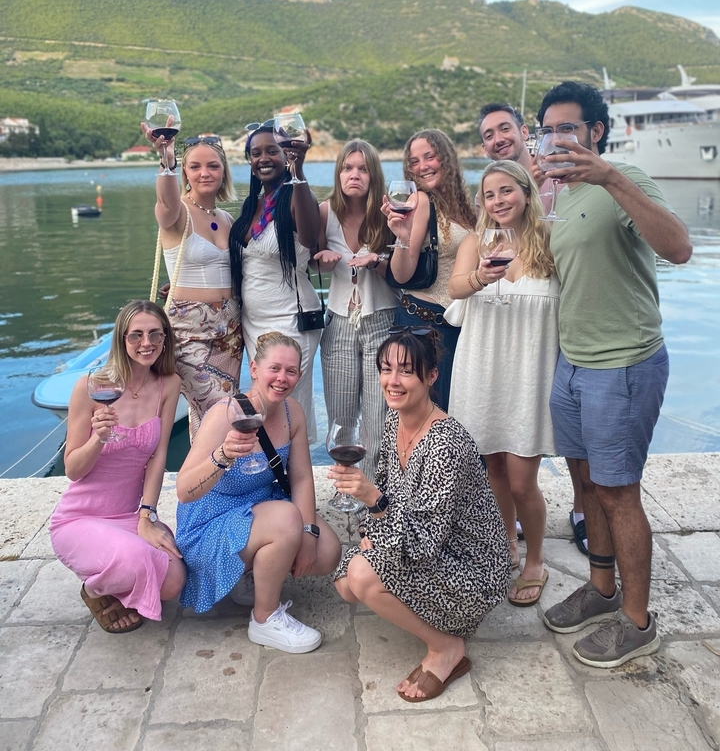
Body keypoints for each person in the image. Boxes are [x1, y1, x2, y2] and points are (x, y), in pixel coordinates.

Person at [537, 81, 692, 668]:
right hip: (573, 364)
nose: (557, 138)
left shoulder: (623, 180)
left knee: (619, 493)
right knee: (586, 489)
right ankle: (603, 591)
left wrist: (613, 179)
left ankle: (637, 619)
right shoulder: (559, 193)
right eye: (549, 128)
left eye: (568, 128)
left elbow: (678, 248)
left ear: (595, 132)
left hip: (624, 364)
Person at [332, 328, 509, 702]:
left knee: (362, 576)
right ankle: (428, 616)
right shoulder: (396, 420)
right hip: (417, 538)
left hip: (469, 567)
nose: (392, 382)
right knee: (345, 585)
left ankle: (446, 648)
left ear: (431, 376)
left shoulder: (445, 443)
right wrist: (371, 523)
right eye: (385, 369)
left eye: (406, 371)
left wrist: (374, 502)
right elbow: (385, 484)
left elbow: (423, 545)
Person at [175, 332, 341, 653]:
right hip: (210, 521)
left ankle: (248, 575)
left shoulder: (293, 412)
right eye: (274, 368)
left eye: (291, 371)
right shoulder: (225, 415)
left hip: (260, 507)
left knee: (327, 551)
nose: (282, 378)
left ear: (300, 376)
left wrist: (308, 534)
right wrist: (222, 456)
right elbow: (184, 490)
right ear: (253, 368)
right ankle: (265, 620)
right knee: (286, 518)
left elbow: (303, 478)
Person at [477, 102, 587, 555]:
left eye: (505, 128)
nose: (498, 137)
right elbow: (466, 275)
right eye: (488, 134)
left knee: (544, 462)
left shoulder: (556, 180)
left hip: (544, 348)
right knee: (496, 466)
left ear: (524, 131)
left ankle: (580, 514)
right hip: (498, 349)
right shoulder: (491, 214)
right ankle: (507, 541)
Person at [448, 161, 558, 605]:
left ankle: (536, 559)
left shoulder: (548, 240)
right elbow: (455, 289)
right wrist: (480, 277)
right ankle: (505, 544)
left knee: (521, 480)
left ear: (526, 193)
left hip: (529, 373)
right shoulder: (478, 241)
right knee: (492, 467)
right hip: (482, 367)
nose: (498, 201)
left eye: (507, 191)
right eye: (489, 195)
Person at [50, 300, 185, 632]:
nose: (146, 343)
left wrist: (146, 517)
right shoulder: (91, 387)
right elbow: (72, 470)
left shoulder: (168, 385)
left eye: (155, 334)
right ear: (121, 340)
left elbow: (159, 455)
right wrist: (99, 437)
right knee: (139, 562)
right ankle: (94, 589)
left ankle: (119, 571)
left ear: (166, 338)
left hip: (127, 516)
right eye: (135, 335)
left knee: (173, 581)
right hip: (79, 518)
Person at [141, 124, 242, 439]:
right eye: (194, 166)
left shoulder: (226, 219)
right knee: (221, 412)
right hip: (190, 334)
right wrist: (167, 161)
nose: (205, 173)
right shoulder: (178, 214)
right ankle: (207, 480)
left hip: (230, 332)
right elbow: (166, 204)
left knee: (209, 417)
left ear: (224, 171)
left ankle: (211, 482)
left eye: (213, 165)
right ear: (184, 172)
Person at [229, 122, 322, 441]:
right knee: (263, 404)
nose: (264, 158)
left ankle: (296, 479)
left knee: (288, 403)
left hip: (291, 321)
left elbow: (310, 237)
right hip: (253, 323)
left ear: (286, 154)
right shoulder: (251, 205)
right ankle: (273, 477)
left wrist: (300, 172)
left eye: (273, 150)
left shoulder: (295, 195)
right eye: (256, 153)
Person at [314, 139, 399, 476]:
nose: (354, 175)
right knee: (341, 413)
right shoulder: (325, 212)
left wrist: (378, 261)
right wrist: (322, 261)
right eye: (348, 168)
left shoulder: (389, 211)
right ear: (338, 173)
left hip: (382, 318)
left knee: (379, 413)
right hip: (338, 321)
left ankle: (375, 485)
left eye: (363, 169)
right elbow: (314, 262)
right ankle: (345, 484)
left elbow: (402, 271)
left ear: (373, 175)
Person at [384, 129, 476, 411]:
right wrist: (401, 237)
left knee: (449, 412)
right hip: (423, 324)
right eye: (414, 162)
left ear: (445, 158)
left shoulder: (467, 208)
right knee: (418, 414)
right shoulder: (421, 201)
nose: (423, 166)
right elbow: (402, 275)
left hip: (457, 324)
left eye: (430, 157)